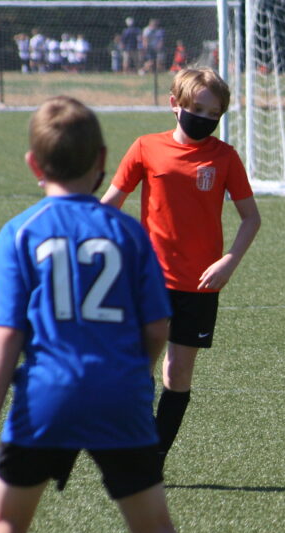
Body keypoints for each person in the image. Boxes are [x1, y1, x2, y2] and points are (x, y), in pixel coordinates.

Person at [0, 96, 236, 533]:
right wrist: (130, 377)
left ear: (33, 165)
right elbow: (157, 329)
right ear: (101, 161)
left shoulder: (20, 233)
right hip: (120, 399)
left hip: (45, 399)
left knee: (5, 527)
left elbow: (6, 334)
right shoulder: (126, 232)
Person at [101, 68, 260, 469]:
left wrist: (229, 261)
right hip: (148, 281)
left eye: (213, 113)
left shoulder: (224, 158)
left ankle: (154, 457)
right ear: (175, 105)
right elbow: (109, 205)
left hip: (200, 286)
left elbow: (250, 218)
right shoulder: (146, 148)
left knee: (178, 374)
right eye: (196, 108)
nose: (204, 118)